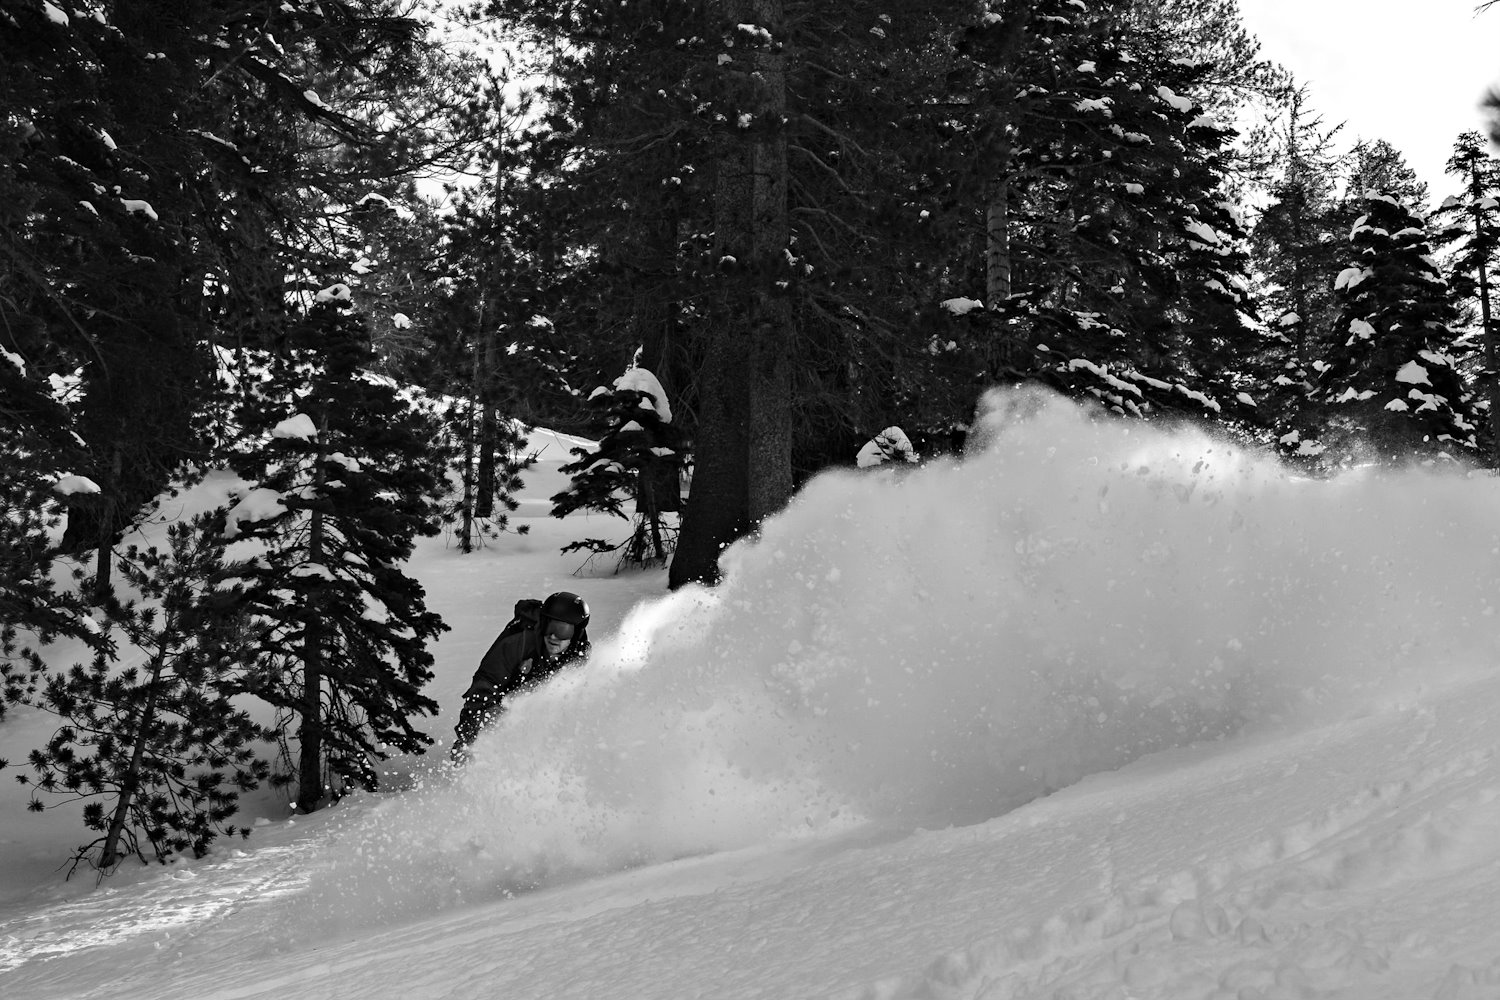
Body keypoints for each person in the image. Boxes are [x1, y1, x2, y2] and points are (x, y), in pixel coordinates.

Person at [450, 591, 591, 763]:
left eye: (562, 630)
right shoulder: (518, 644)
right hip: (502, 703)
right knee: (480, 738)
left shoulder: (579, 654)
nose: (554, 636)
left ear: (576, 633)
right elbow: (483, 687)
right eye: (551, 627)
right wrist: (470, 737)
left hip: (541, 708)